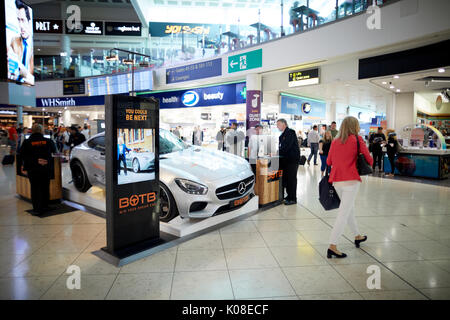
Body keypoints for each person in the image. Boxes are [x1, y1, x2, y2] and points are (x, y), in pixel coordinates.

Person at [326, 116, 373, 258]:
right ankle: (332, 245)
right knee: (343, 212)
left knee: (348, 208)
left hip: (336, 180)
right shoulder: (358, 140)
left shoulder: (335, 141)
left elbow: (329, 161)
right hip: (351, 180)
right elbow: (369, 160)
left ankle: (357, 235)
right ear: (355, 126)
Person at [20, 124, 56, 215]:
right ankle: (45, 206)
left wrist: (36, 160)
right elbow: (55, 152)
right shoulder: (48, 141)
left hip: (33, 168)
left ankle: (36, 208)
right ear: (42, 131)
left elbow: (22, 155)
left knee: (35, 188)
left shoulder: (27, 142)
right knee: (45, 187)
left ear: (31, 131)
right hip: (46, 168)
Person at [7, 0, 34, 85]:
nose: (21, 25)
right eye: (18, 20)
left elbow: (33, 80)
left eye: (23, 20)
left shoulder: (33, 47)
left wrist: (24, 74)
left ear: (29, 22)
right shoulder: (14, 41)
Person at [277, 119, 300, 205]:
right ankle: (289, 195)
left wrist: (277, 152)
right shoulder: (282, 134)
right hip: (286, 160)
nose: (277, 126)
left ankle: (293, 198)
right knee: (286, 179)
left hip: (292, 160)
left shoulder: (290, 132)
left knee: (292, 179)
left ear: (284, 124)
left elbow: (287, 146)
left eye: (278, 124)